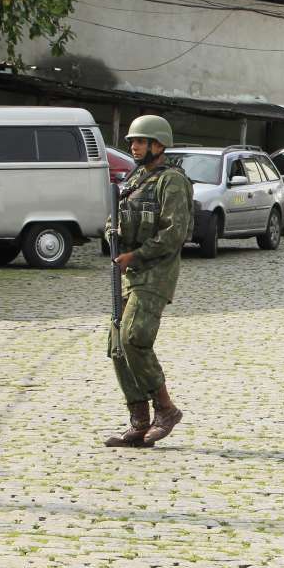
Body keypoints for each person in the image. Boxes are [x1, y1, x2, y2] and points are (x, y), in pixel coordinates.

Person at [104, 115, 194, 448]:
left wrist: (135, 256)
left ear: (158, 145)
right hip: (129, 273)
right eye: (132, 142)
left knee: (134, 337)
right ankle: (139, 420)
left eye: (140, 142)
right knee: (117, 347)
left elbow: (174, 233)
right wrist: (111, 233)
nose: (134, 147)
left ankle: (166, 409)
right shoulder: (135, 178)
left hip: (156, 272)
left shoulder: (172, 182)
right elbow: (115, 217)